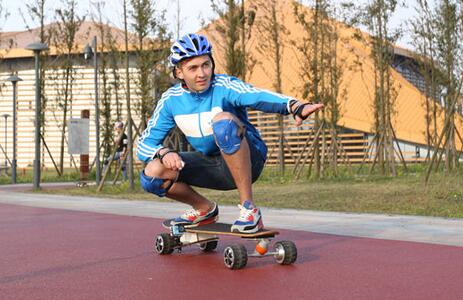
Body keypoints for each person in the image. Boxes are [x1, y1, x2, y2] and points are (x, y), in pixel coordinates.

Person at [137, 33, 323, 233]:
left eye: (206, 65)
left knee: (222, 122)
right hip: (212, 165)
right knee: (153, 174)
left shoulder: (224, 86)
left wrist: (294, 106)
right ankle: (204, 209)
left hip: (250, 160)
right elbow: (144, 144)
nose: (202, 73)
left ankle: (249, 210)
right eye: (193, 68)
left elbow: (257, 95)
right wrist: (164, 153)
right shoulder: (170, 101)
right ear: (179, 72)